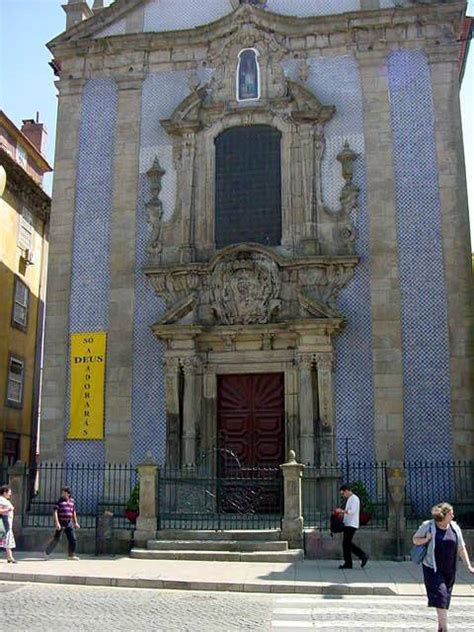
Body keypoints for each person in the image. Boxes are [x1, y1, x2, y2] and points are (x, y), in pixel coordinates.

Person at [413, 502, 474, 632]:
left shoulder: (454, 527)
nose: (453, 515)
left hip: (449, 570)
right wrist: (426, 539)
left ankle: (440, 628)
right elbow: (415, 539)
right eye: (451, 513)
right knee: (441, 596)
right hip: (432, 569)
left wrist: (469, 566)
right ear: (444, 515)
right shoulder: (428, 526)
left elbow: (461, 548)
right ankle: (445, 628)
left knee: (444, 600)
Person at [337, 484, 369, 569]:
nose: (343, 495)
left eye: (343, 493)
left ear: (347, 491)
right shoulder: (350, 499)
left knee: (346, 543)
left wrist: (342, 511)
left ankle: (360, 557)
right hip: (348, 524)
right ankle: (357, 558)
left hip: (352, 524)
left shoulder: (354, 498)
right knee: (347, 544)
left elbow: (352, 511)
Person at [44, 486, 80, 560]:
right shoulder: (59, 501)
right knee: (57, 539)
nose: (62, 493)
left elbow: (73, 512)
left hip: (69, 522)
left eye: (64, 492)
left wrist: (76, 522)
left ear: (68, 493)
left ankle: (71, 555)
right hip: (61, 522)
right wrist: (57, 523)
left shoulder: (72, 501)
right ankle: (46, 553)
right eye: (62, 492)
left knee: (73, 539)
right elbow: (55, 512)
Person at [0, 485, 16, 563]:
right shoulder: (1, 500)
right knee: (7, 540)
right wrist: (8, 509)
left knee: (7, 540)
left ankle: (9, 557)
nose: (10, 494)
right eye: (9, 492)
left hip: (7, 523)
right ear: (4, 492)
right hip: (4, 523)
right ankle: (10, 557)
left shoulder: (4, 500)